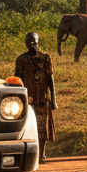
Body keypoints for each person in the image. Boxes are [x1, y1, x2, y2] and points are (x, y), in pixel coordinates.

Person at [13, 32, 57, 161]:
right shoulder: (21, 60)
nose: (32, 44)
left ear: (38, 42)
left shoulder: (45, 58)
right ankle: (30, 155)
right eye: (29, 42)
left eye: (34, 42)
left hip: (42, 99)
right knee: (27, 127)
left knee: (42, 128)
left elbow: (50, 79)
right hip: (27, 99)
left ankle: (41, 154)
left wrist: (53, 100)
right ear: (26, 43)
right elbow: (17, 80)